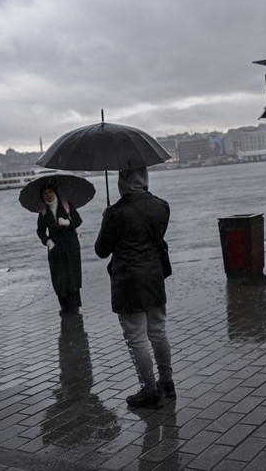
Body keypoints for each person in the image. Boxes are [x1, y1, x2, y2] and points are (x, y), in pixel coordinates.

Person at [94, 167, 176, 409]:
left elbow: (101, 250)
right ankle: (167, 383)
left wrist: (106, 218)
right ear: (144, 178)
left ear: (123, 181)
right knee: (158, 331)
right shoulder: (162, 206)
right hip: (154, 276)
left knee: (137, 337)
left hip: (129, 280)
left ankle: (150, 391)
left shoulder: (116, 212)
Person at [36, 184, 83, 316]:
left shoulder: (67, 205)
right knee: (58, 278)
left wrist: (68, 223)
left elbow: (78, 220)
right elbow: (40, 230)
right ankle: (64, 306)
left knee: (72, 276)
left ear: (55, 192)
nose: (48, 195)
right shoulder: (43, 211)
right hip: (55, 249)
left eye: (50, 192)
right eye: (45, 193)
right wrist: (47, 241)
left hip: (71, 247)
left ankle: (74, 307)